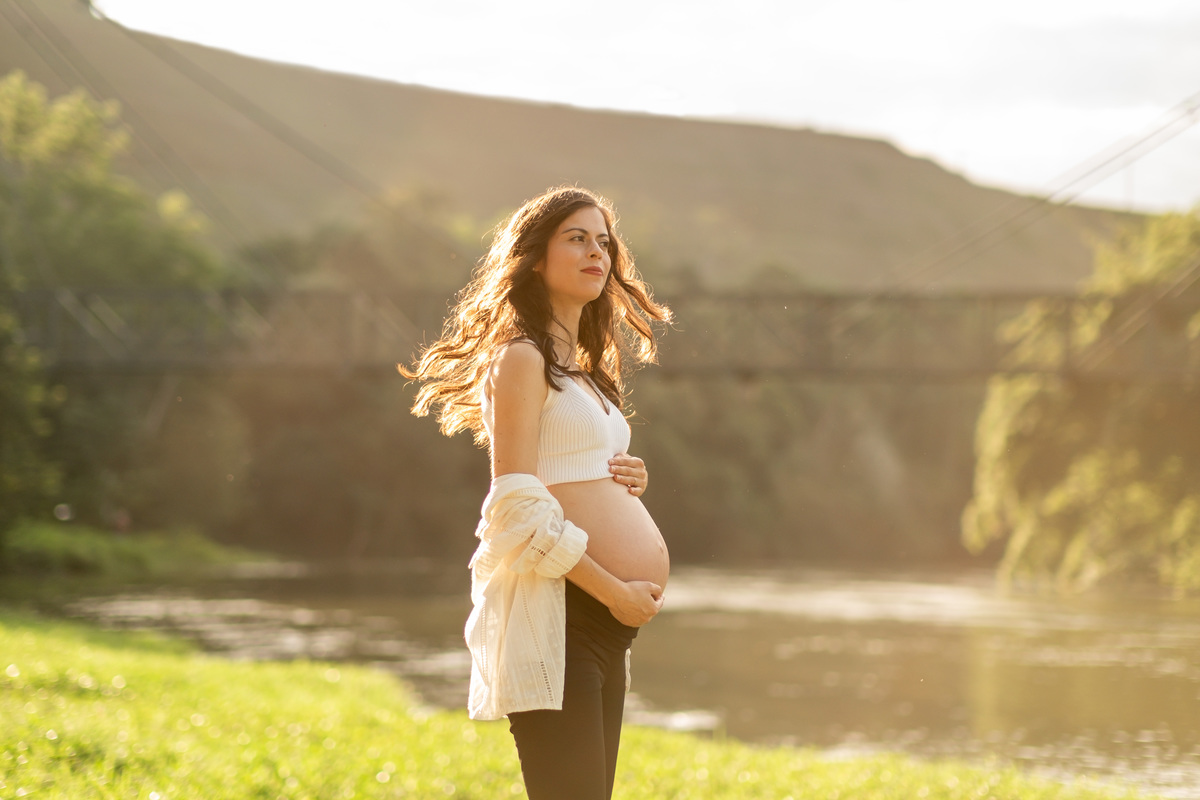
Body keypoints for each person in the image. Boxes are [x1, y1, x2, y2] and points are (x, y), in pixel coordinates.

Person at [400, 186, 672, 799]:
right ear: (535, 259)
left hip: (606, 626)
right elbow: (513, 508)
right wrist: (615, 591)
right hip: (562, 613)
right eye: (576, 238)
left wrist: (628, 480)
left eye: (604, 241)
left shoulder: (585, 373)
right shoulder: (521, 358)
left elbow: (568, 474)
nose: (596, 252)